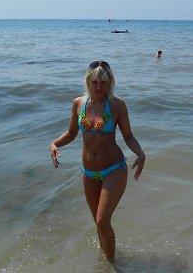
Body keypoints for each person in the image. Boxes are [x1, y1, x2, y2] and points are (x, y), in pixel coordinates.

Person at [50, 60, 145, 261]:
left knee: (102, 221)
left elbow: (128, 136)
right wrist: (55, 144)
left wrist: (140, 153)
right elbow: (71, 133)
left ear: (110, 82)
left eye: (104, 82)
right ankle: (106, 262)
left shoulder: (117, 106)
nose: (99, 87)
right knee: (99, 224)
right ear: (88, 81)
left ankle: (112, 267)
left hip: (114, 169)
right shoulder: (78, 103)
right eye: (95, 82)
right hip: (89, 172)